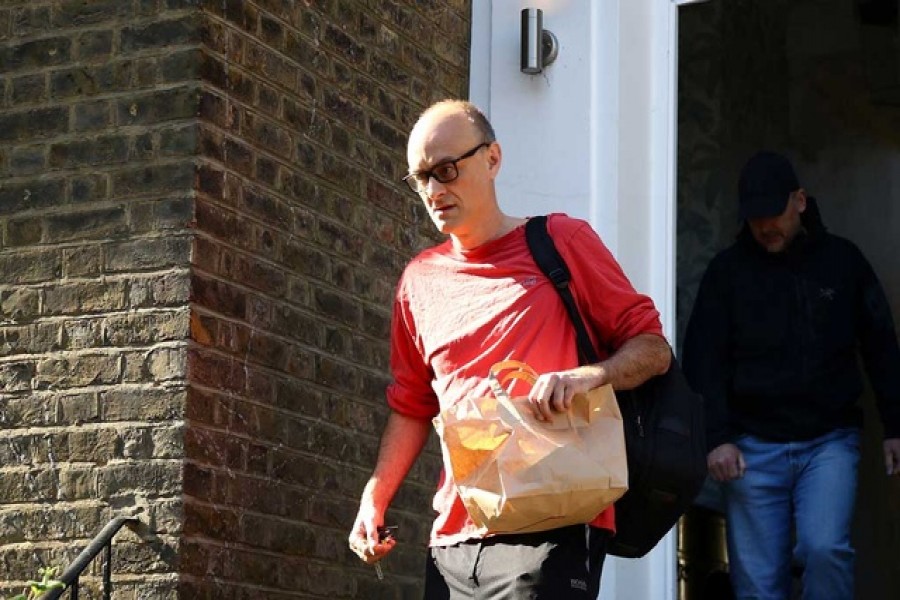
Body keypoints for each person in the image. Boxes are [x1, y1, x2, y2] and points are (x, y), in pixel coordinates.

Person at [347, 99, 672, 598]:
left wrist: (590, 375)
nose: (434, 190)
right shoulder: (418, 281)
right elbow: (412, 404)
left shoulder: (561, 241)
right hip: (455, 536)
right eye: (421, 179)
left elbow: (653, 348)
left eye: (447, 170)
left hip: (556, 513)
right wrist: (375, 498)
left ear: (492, 159)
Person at [682, 151, 900, 600]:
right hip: (750, 448)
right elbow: (703, 359)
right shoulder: (727, 273)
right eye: (755, 217)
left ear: (799, 201)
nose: (765, 226)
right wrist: (716, 437)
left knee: (825, 550)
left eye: (774, 212)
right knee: (758, 586)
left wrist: (895, 425)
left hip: (829, 442)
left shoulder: (843, 262)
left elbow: (881, 344)